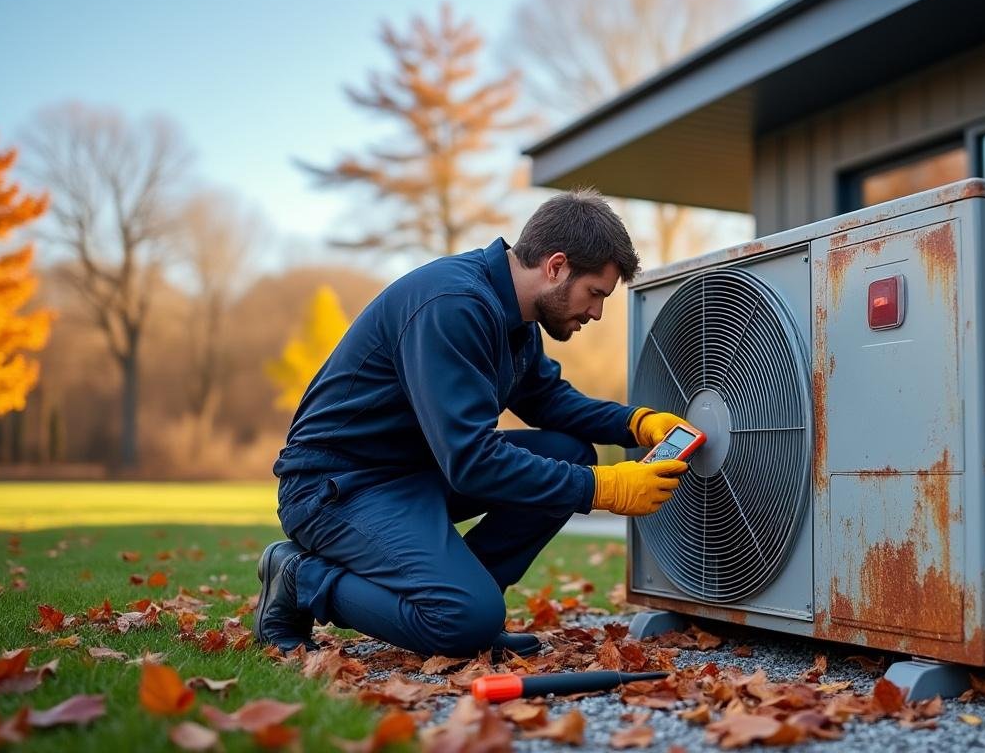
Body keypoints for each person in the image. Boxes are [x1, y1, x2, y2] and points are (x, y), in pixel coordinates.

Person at [256, 188, 691, 658]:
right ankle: (299, 576)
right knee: (462, 621)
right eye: (595, 293)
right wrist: (600, 488)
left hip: (415, 474)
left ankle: (472, 596)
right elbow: (472, 461)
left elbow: (546, 399)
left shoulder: (515, 318)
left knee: (569, 452)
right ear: (556, 266)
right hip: (338, 487)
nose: (596, 312)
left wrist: (636, 422)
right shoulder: (453, 305)